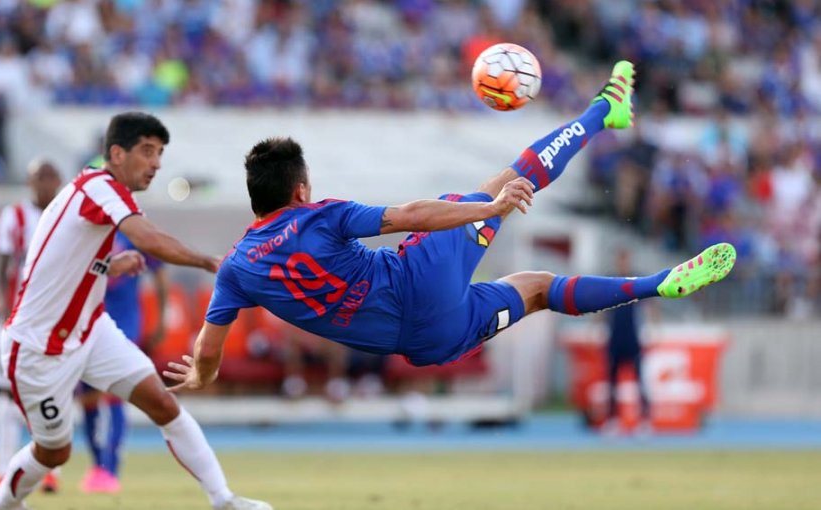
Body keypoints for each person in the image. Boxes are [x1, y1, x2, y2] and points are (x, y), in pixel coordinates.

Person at [165, 62, 737, 403]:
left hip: (425, 343)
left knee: (536, 288)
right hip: (418, 276)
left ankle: (656, 281)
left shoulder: (238, 267)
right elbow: (411, 215)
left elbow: (209, 353)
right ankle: (604, 112)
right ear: (299, 191)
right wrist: (488, 209)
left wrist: (199, 376)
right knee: (502, 183)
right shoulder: (321, 215)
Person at [0, 112, 270, 510]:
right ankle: (3, 501)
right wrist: (210, 262)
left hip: (89, 330)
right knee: (54, 453)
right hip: (38, 348)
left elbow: (65, 255)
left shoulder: (93, 185)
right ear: (117, 153)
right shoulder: (101, 187)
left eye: (160, 153)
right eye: (148, 151)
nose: (156, 163)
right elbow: (147, 239)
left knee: (164, 404)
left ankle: (224, 500)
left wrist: (106, 265)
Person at [0, 160, 63, 492]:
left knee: (53, 388)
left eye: (51, 176)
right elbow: (1, 263)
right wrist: (0, 299)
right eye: (39, 176)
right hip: (17, 316)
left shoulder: (65, 213)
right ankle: (3, 468)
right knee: (6, 390)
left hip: (55, 317)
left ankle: (49, 467)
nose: (45, 183)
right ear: (29, 181)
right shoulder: (13, 216)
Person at [79, 230, 168, 493]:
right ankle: (98, 465)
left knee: (116, 392)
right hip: (87, 323)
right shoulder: (88, 229)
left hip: (125, 324)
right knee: (88, 398)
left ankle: (110, 468)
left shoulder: (133, 229)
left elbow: (159, 271)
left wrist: (161, 318)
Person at [602, 248, 654, 435]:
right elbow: (601, 307)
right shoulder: (609, 282)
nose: (622, 263)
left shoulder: (636, 282)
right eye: (620, 259)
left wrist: (653, 327)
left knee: (640, 381)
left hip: (633, 337)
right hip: (615, 336)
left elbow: (650, 303)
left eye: (625, 259)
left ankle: (644, 422)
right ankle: (613, 421)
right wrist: (596, 327)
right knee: (612, 382)